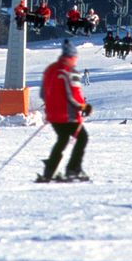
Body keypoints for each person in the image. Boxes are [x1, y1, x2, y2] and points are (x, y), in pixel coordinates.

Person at [38, 39, 90, 183]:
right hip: (69, 115)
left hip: (52, 115)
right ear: (72, 57)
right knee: (82, 138)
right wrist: (84, 107)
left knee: (63, 139)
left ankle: (51, 168)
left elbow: (42, 93)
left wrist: (52, 105)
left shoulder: (50, 69)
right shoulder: (70, 72)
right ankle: (73, 169)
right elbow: (73, 96)